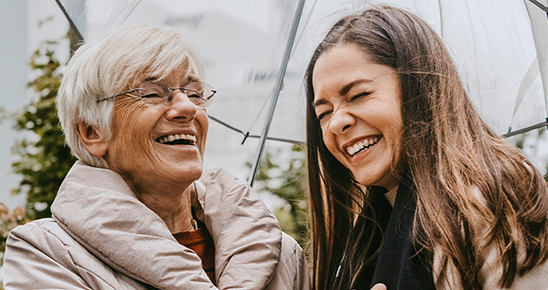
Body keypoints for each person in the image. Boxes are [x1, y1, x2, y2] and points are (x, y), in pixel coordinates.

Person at [3, 24, 308, 290]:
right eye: (151, 93)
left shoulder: (281, 254)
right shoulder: (48, 254)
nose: (188, 108)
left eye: (195, 94)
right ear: (92, 132)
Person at [304, 4, 548, 290]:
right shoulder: (368, 229)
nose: (335, 123)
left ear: (419, 85)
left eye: (358, 94)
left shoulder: (493, 198)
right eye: (323, 113)